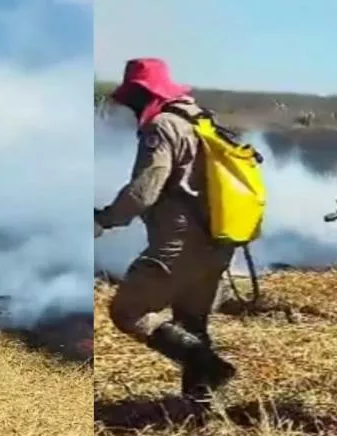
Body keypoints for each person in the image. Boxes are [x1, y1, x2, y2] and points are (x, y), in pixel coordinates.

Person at [93, 58, 236, 401]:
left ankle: (209, 365)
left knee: (128, 311)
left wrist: (105, 219)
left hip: (181, 242)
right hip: (218, 241)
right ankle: (201, 410)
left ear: (144, 93)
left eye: (134, 99)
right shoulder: (202, 120)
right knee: (192, 323)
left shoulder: (162, 126)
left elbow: (145, 190)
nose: (131, 108)